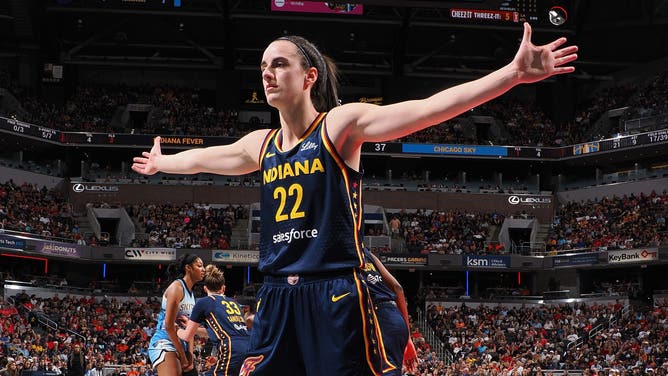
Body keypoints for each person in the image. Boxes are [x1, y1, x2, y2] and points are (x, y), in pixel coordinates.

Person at [132, 23, 577, 376]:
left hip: (334, 293)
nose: (266, 72)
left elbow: (428, 108)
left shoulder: (338, 126)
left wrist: (512, 74)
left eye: (279, 64)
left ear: (309, 77)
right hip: (276, 297)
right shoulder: (260, 144)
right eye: (263, 65)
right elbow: (205, 159)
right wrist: (163, 162)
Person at [177, 264, 250, 376]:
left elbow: (186, 336)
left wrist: (174, 328)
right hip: (248, 347)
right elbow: (215, 332)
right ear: (223, 288)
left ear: (205, 288)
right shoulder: (234, 303)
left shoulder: (204, 302)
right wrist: (193, 328)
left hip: (231, 347)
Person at [361, 248, 417, 375]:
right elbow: (398, 288)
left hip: (379, 318)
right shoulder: (368, 253)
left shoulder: (345, 255)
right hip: (395, 316)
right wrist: (408, 338)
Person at [147, 254, 205, 376]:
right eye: (199, 266)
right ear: (188, 268)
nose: (203, 269)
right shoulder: (176, 288)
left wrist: (190, 356)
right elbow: (169, 326)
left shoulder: (192, 294)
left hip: (181, 343)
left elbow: (189, 328)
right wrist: (183, 356)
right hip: (164, 341)